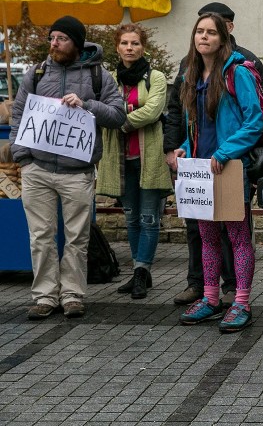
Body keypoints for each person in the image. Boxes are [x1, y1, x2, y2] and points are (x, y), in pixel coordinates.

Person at [10, 16, 125, 320]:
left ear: (77, 42)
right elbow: (18, 116)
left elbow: (117, 115)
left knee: (77, 237)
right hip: (38, 169)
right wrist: (23, 157)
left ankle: (72, 294)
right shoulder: (37, 73)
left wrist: (87, 104)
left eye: (61, 38)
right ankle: (45, 296)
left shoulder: (99, 75)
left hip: (77, 171)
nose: (54, 44)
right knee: (41, 235)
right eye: (51, 38)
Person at [165, 2, 263, 307]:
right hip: (199, 167)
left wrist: (224, 153)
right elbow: (192, 121)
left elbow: (254, 122)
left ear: (223, 38)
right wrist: (185, 144)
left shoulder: (238, 72)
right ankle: (210, 298)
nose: (204, 37)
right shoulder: (190, 74)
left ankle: (241, 302)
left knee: (237, 238)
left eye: (211, 32)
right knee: (207, 237)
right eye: (199, 31)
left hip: (229, 167)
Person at [97, 24, 173, 299]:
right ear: (117, 47)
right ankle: (138, 271)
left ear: (143, 47)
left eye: (135, 43)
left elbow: (152, 111)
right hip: (120, 160)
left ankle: (142, 272)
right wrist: (123, 113)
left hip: (149, 157)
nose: (130, 48)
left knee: (149, 218)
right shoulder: (108, 79)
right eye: (125, 43)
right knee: (131, 218)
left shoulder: (156, 77)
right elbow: (101, 109)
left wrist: (121, 119)